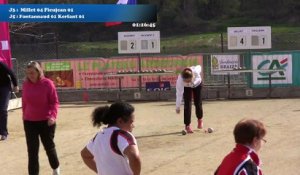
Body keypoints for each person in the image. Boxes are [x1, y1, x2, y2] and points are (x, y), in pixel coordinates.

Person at [81, 101, 141, 175]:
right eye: (131, 122)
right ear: (120, 121)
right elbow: (134, 157)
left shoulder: (98, 136)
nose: (133, 126)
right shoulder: (123, 135)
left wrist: (101, 171)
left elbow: (85, 155)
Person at [22, 61, 60, 175]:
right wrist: (24, 116)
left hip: (46, 121)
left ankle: (55, 168)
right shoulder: (25, 84)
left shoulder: (48, 84)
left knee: (49, 147)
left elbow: (54, 102)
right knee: (32, 152)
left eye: (32, 73)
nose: (30, 75)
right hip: (29, 122)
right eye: (28, 73)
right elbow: (24, 102)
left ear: (39, 72)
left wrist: (52, 116)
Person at [175, 65, 203, 133]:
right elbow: (179, 94)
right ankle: (187, 125)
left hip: (197, 84)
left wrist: (193, 83)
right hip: (187, 87)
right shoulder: (180, 80)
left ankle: (200, 119)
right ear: (183, 79)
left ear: (192, 76)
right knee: (187, 104)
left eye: (189, 80)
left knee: (198, 102)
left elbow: (199, 66)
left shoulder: (195, 71)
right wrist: (177, 107)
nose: (188, 82)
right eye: (186, 81)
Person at [0, 60, 19, 141]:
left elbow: (11, 73)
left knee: (2, 109)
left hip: (5, 87)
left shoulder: (1, 64)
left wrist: (16, 85)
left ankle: (4, 133)